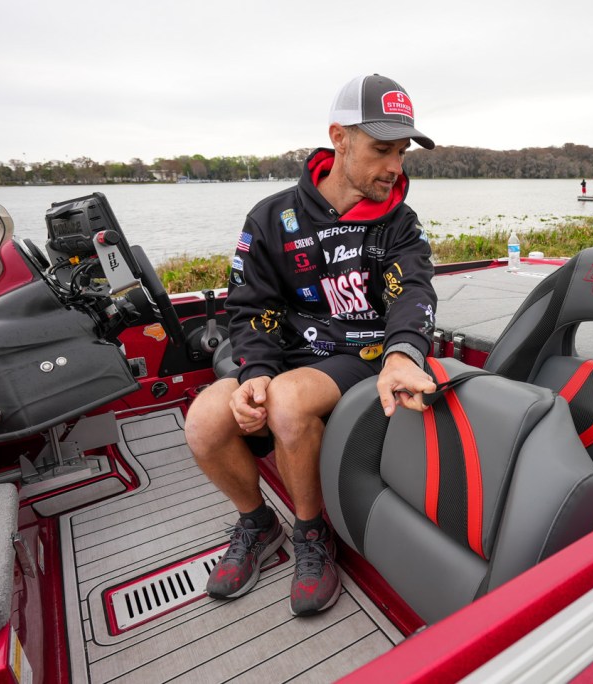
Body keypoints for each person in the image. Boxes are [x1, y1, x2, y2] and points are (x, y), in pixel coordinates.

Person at [184, 73, 438, 617]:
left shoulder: (400, 223)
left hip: (365, 354)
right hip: (293, 355)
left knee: (288, 399)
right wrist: (255, 372)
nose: (396, 167)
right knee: (203, 419)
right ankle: (258, 523)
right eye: (382, 150)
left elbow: (414, 291)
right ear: (339, 138)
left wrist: (402, 353)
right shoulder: (271, 218)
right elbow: (249, 306)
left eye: (402, 152)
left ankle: (311, 532)